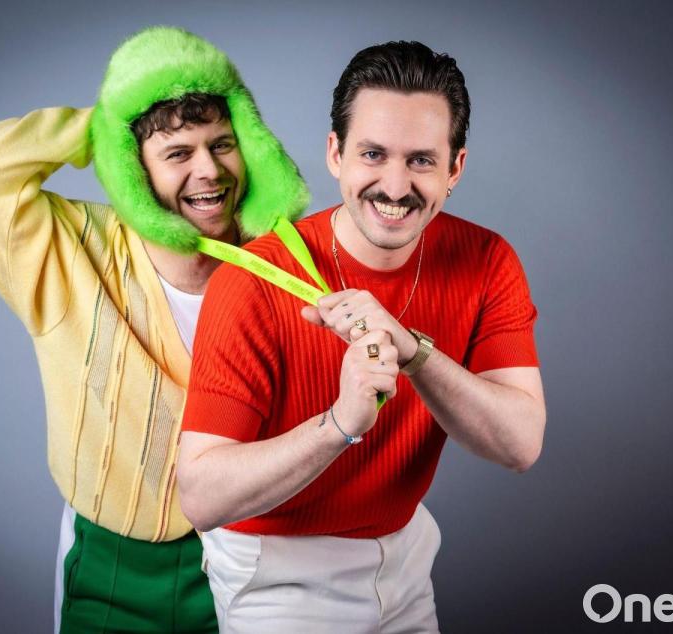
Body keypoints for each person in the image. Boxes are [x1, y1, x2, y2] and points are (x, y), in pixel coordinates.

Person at [0, 26, 308, 633]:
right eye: (177, 153)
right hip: (112, 565)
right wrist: (109, 123)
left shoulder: (285, 266)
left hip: (255, 558)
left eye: (223, 143)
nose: (209, 171)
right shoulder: (76, 249)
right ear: (134, 165)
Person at [178, 40, 546, 633]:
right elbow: (201, 496)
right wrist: (338, 425)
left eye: (421, 161)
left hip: (406, 556)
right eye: (373, 154)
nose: (395, 187)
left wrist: (414, 352)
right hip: (277, 573)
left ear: (455, 168)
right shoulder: (251, 283)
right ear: (336, 154)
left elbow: (520, 444)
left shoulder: (487, 259)